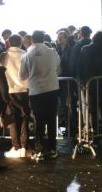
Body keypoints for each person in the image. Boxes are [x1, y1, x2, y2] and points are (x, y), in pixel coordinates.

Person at [19, 30, 61, 161]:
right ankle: (52, 148)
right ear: (43, 39)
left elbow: (22, 76)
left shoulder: (27, 55)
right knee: (52, 120)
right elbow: (57, 66)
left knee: (39, 121)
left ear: (32, 40)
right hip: (52, 89)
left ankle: (40, 150)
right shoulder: (52, 52)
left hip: (36, 91)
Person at [1, 34, 30, 158]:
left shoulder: (4, 55)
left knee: (13, 119)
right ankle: (24, 146)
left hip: (10, 90)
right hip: (25, 90)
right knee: (25, 118)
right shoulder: (26, 54)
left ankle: (16, 146)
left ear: (9, 43)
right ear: (20, 43)